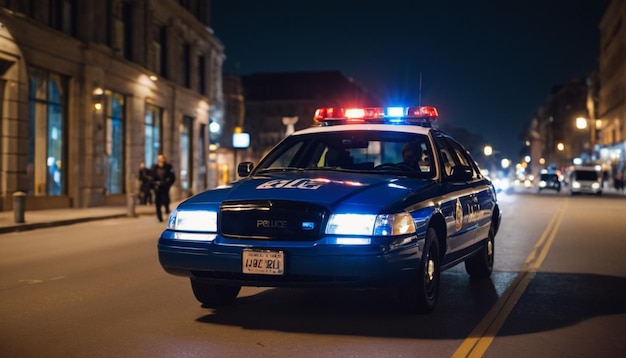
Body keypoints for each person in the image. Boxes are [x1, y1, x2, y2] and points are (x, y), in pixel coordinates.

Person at [150, 154, 176, 222]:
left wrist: (167, 184)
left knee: (166, 201)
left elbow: (172, 177)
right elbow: (151, 177)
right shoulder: (155, 167)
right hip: (157, 188)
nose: (160, 160)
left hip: (165, 187)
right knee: (157, 203)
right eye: (159, 158)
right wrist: (154, 184)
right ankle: (159, 217)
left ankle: (167, 211)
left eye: (162, 158)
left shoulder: (168, 167)